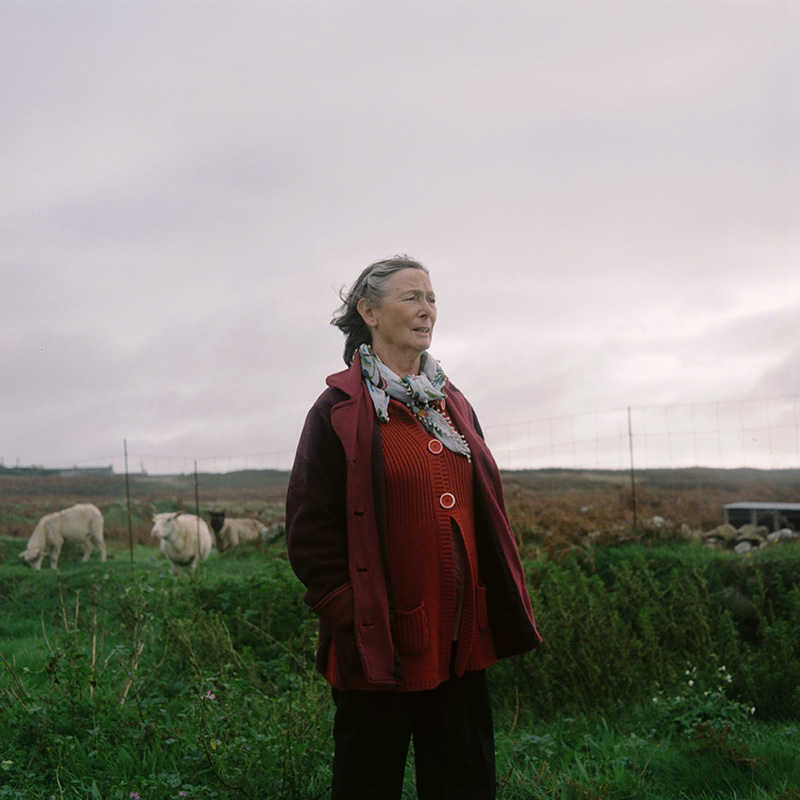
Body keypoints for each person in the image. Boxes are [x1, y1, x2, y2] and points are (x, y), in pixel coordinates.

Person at [285, 255, 542, 800]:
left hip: (460, 640)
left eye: (431, 299)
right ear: (368, 311)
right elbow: (311, 530)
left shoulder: (452, 404)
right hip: (380, 643)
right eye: (411, 297)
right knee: (367, 783)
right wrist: (349, 613)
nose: (426, 310)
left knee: (464, 783)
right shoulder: (338, 409)